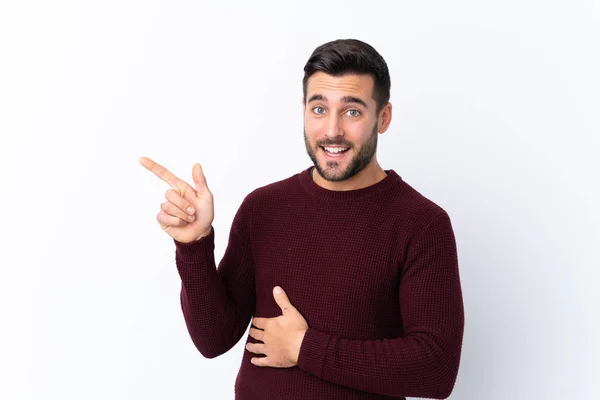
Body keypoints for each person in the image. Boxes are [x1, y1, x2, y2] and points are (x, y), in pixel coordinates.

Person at [139, 38, 464, 400]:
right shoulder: (262, 208)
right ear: (304, 111)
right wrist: (193, 247)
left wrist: (304, 348)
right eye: (319, 109)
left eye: (352, 111)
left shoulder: (421, 224)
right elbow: (214, 340)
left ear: (383, 117)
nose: (332, 130)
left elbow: (436, 370)